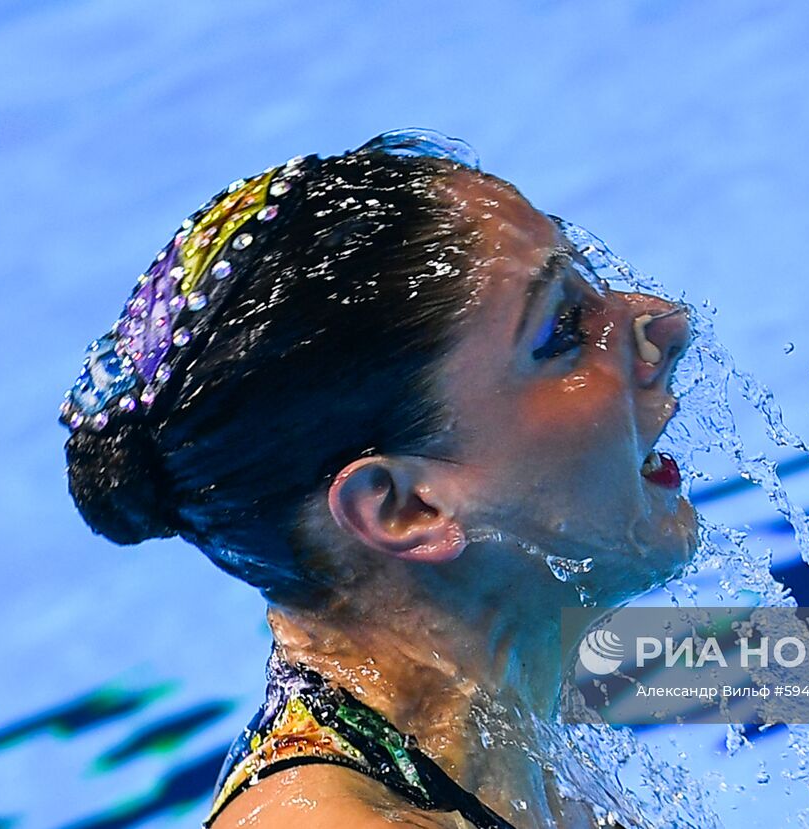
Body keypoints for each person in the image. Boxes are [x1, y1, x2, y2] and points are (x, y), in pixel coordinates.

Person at [61, 129, 697, 828]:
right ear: (404, 507)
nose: (663, 324)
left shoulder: (518, 689)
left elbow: (781, 663)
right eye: (564, 331)